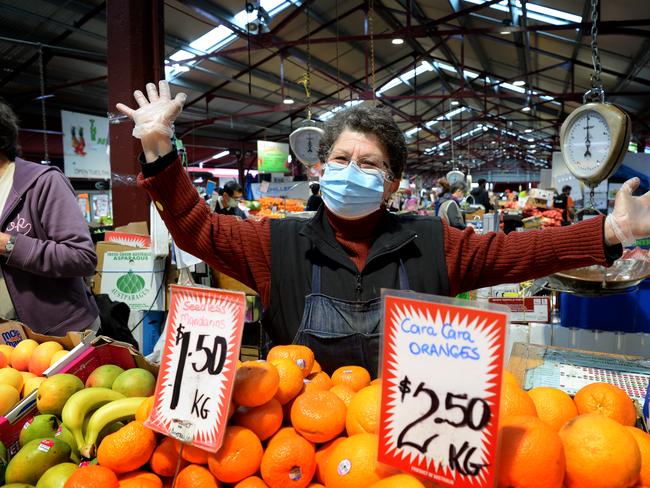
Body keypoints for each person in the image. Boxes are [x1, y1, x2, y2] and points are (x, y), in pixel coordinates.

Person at [117, 81, 650, 376]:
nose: (353, 170)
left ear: (393, 184)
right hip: (305, 442)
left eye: (370, 165)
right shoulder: (274, 243)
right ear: (319, 169)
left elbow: (520, 252)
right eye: (342, 158)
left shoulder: (434, 243)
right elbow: (196, 231)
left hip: (411, 447)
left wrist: (612, 229)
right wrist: (160, 153)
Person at [0, 99, 99, 335]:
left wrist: (7, 244)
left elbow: (82, 257)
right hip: (10, 339)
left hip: (60, 333)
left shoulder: (42, 182)